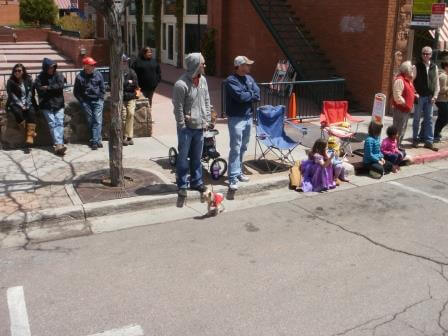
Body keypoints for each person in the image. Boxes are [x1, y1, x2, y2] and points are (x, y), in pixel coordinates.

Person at [172, 53, 211, 197]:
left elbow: (206, 100)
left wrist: (206, 120)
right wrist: (182, 125)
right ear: (195, 65)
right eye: (203, 63)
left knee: (197, 157)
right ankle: (182, 184)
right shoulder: (180, 85)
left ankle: (196, 181)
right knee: (183, 158)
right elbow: (178, 108)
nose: (205, 66)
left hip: (200, 126)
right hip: (186, 129)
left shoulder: (203, 81)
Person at [225, 56, 260, 191]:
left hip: (248, 117)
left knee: (243, 147)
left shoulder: (249, 79)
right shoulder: (231, 81)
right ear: (239, 66)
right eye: (247, 65)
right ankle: (232, 177)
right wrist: (250, 94)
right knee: (235, 147)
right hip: (236, 119)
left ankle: (238, 172)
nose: (249, 67)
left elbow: (258, 94)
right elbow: (240, 97)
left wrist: (248, 94)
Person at [34, 58, 67, 156]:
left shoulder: (58, 75)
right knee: (52, 123)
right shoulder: (40, 77)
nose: (51, 69)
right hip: (46, 104)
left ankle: (58, 144)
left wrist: (48, 87)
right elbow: (39, 89)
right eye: (49, 68)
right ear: (45, 68)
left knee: (59, 122)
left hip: (58, 103)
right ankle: (59, 144)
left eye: (53, 67)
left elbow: (60, 86)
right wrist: (52, 88)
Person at [74, 56, 105, 150]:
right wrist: (82, 102)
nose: (93, 66)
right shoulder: (79, 77)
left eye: (93, 65)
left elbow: (103, 88)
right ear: (85, 66)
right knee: (91, 120)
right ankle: (97, 139)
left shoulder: (98, 74)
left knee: (97, 120)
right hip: (86, 102)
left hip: (97, 100)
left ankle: (94, 141)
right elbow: (76, 92)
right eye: (91, 65)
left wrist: (101, 98)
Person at [5, 63, 36, 153]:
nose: (17, 72)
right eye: (15, 71)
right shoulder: (10, 81)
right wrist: (20, 105)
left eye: (19, 71)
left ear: (23, 71)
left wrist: (27, 104)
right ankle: (29, 132)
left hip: (27, 102)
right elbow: (11, 95)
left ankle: (30, 136)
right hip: (15, 103)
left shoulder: (28, 79)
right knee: (18, 113)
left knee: (31, 113)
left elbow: (30, 93)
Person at [413, 46, 439, 151]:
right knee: (417, 119)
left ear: (431, 55)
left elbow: (436, 83)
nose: (425, 55)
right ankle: (415, 139)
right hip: (419, 97)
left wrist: (435, 96)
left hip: (430, 97)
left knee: (429, 120)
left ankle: (429, 141)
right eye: (423, 53)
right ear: (421, 54)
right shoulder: (416, 66)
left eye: (427, 54)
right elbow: (411, 81)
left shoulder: (434, 67)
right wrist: (415, 93)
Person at [391, 60, 417, 147]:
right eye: (411, 69)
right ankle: (394, 146)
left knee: (402, 129)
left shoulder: (408, 80)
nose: (412, 70)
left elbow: (409, 91)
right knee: (398, 129)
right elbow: (397, 96)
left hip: (406, 109)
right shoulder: (400, 80)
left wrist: (414, 95)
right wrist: (404, 103)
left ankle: (397, 145)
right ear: (406, 70)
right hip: (400, 109)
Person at [121, 54, 139, 146]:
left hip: (131, 97)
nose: (125, 63)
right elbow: (115, 85)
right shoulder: (117, 73)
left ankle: (129, 136)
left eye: (126, 61)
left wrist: (127, 83)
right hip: (121, 98)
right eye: (123, 61)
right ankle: (124, 136)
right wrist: (128, 82)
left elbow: (136, 84)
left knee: (130, 114)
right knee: (123, 116)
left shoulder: (132, 72)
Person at [435, 60, 448, 142]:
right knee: (445, 117)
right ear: (446, 67)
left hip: (444, 99)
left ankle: (436, 132)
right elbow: (442, 89)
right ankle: (436, 132)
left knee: (441, 117)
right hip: (441, 100)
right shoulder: (443, 76)